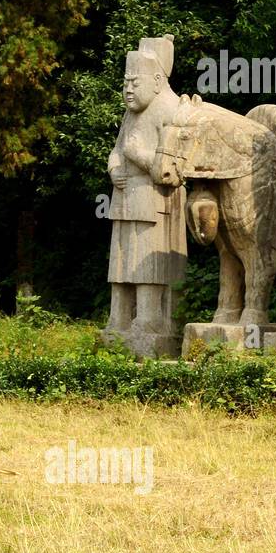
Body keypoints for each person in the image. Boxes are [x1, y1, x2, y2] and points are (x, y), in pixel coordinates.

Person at [105, 35, 187, 343]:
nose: (127, 90)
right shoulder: (131, 113)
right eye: (125, 83)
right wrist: (114, 168)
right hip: (124, 199)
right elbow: (117, 149)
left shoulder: (170, 109)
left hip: (154, 202)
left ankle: (150, 318)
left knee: (146, 262)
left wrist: (137, 155)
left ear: (155, 81)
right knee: (121, 260)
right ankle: (119, 316)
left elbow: (174, 170)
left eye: (133, 83)